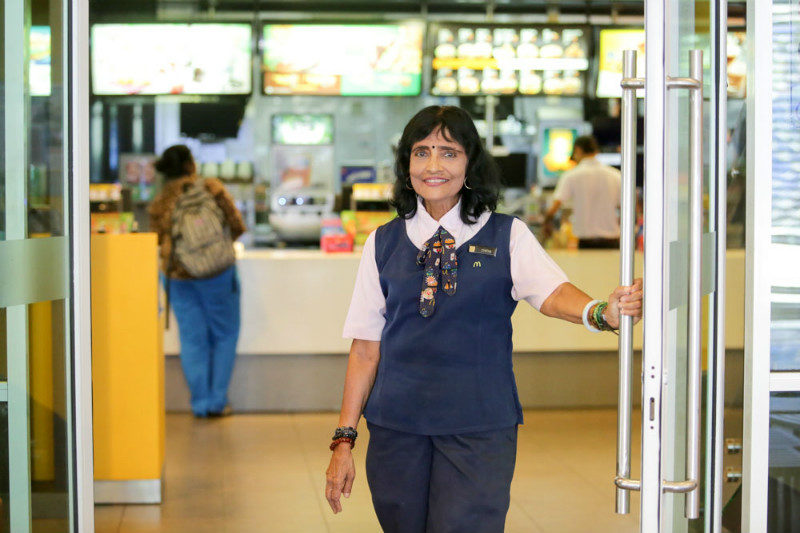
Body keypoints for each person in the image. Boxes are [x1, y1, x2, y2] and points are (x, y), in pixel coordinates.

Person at [324, 106, 642, 533]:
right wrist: (344, 440)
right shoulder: (383, 242)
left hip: (478, 426)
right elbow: (365, 349)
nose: (433, 166)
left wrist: (601, 312)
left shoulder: (506, 234)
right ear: (406, 165)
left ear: (470, 162)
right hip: (396, 426)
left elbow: (552, 293)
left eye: (449, 152)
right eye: (421, 152)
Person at [148, 144, 246, 418]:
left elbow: (156, 239)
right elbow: (237, 226)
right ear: (190, 164)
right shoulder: (212, 188)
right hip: (218, 273)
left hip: (178, 276)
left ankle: (201, 404)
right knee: (225, 335)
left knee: (193, 340)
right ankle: (218, 402)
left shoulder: (160, 201)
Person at [542, 135, 622, 249]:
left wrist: (546, 223)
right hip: (612, 241)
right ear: (596, 151)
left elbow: (555, 206)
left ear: (578, 150)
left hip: (586, 243)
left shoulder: (571, 176)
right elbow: (626, 209)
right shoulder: (615, 175)